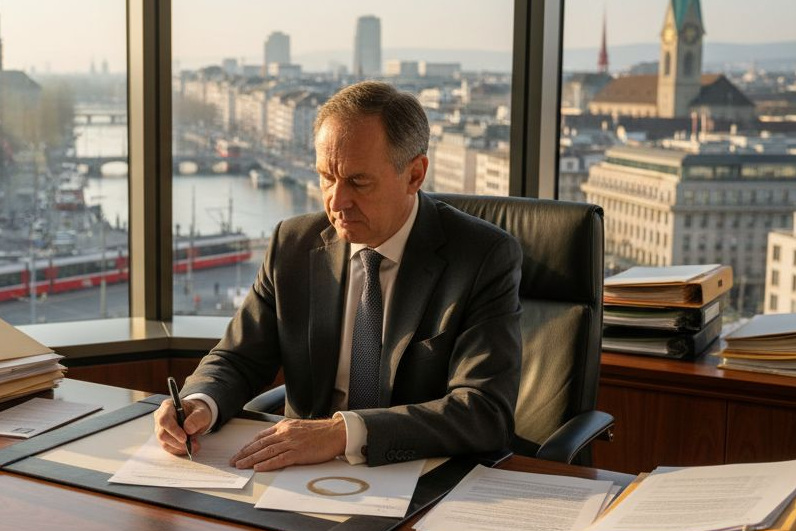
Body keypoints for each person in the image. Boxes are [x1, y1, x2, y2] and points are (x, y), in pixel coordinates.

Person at [154, 81, 522, 470]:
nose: (336, 201)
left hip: (418, 475)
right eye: (326, 177)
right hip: (298, 472)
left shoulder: (482, 257)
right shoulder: (293, 244)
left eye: (358, 182)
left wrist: (342, 433)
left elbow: (483, 410)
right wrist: (199, 403)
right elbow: (237, 359)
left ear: (415, 175)